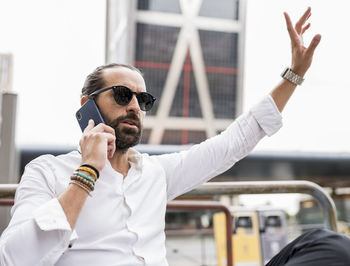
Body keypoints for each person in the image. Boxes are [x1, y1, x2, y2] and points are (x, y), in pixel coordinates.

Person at [0, 7, 349, 266]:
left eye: (143, 99)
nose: (135, 106)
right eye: (123, 95)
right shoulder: (48, 172)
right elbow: (16, 257)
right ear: (86, 105)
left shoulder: (155, 173)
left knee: (326, 246)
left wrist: (294, 74)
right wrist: (87, 173)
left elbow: (233, 142)